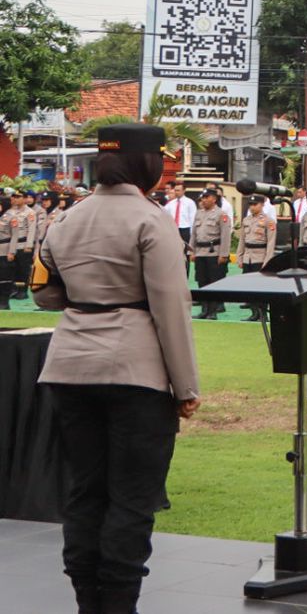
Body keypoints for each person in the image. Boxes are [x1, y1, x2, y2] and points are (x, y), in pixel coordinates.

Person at [31, 124, 201, 614]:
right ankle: (120, 605)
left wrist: (91, 300)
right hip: (136, 371)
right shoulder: (152, 220)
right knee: (132, 496)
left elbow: (44, 292)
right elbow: (171, 309)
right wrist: (186, 386)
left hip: (69, 366)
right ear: (143, 163)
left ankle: (87, 601)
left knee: (86, 491)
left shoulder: (66, 219)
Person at [187, 188, 233, 320]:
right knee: (202, 282)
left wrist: (224, 254)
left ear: (214, 198)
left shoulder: (221, 214)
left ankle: (213, 311)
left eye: (207, 197)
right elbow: (194, 234)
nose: (204, 200)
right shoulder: (199, 213)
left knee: (214, 283)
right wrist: (191, 251)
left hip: (214, 252)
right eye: (203, 197)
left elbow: (225, 236)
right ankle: (204, 309)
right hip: (200, 252)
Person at [237, 193, 277, 322]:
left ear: (262, 204)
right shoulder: (246, 220)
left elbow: (271, 242)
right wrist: (240, 256)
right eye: (251, 205)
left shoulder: (268, 221)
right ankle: (254, 312)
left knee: (261, 287)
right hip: (248, 256)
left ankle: (263, 314)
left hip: (260, 256)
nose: (252, 207)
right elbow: (242, 240)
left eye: (255, 204)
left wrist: (268, 260)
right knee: (248, 286)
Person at [3, 187, 41, 309]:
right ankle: (14, 289)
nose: (16, 199)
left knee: (23, 268)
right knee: (12, 268)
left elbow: (31, 230)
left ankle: (23, 290)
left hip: (24, 243)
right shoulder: (9, 212)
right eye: (15, 197)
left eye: (19, 197)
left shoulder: (30, 212)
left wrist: (29, 245)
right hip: (12, 244)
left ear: (24, 199)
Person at [161, 181, 195, 246]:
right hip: (173, 229)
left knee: (185, 250)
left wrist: (192, 234)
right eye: (175, 190)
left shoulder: (190, 203)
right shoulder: (171, 203)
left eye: (178, 190)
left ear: (184, 190)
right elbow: (163, 213)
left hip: (185, 229)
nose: (176, 192)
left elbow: (192, 219)